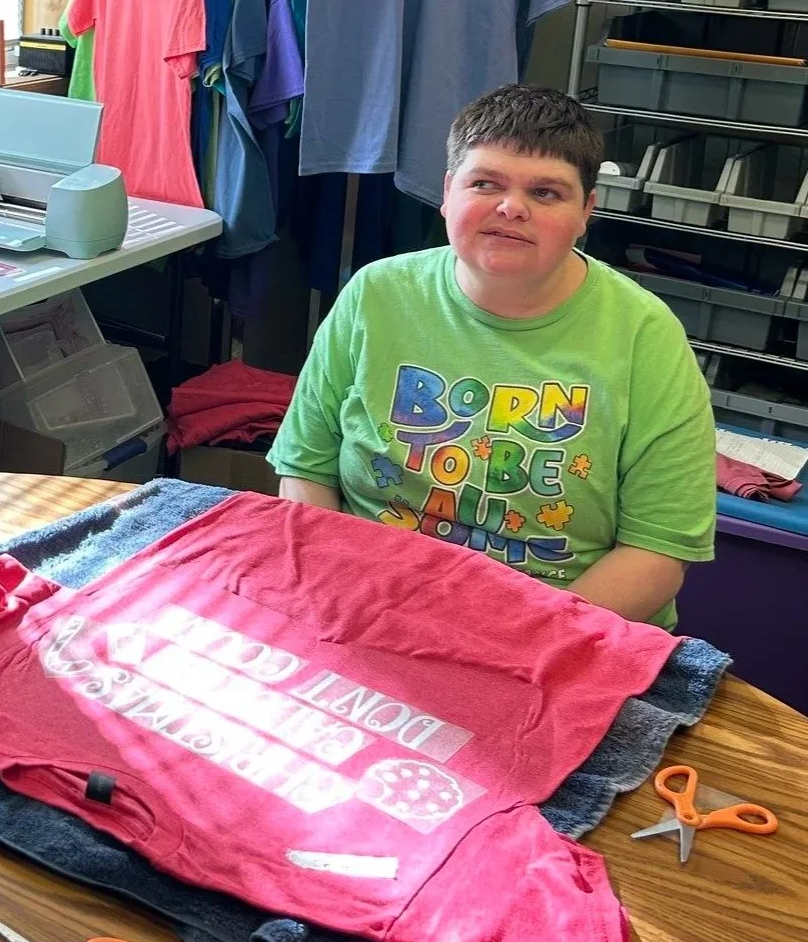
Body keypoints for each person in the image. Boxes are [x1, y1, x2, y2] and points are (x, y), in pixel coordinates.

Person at [268, 84, 714, 627]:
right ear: (448, 191)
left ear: (585, 212)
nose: (510, 208)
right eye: (486, 183)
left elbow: (658, 553)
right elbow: (305, 470)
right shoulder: (375, 294)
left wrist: (505, 641)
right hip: (368, 607)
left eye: (546, 193)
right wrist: (342, 594)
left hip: (563, 632)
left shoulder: (646, 334)